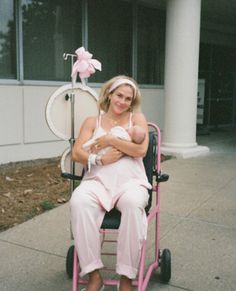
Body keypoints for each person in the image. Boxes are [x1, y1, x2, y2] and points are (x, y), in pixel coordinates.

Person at [70, 75, 151, 291]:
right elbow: (76, 153)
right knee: (79, 201)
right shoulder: (92, 121)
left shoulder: (138, 119)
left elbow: (140, 150)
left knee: (134, 204)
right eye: (119, 95)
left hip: (130, 183)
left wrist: (109, 140)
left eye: (128, 98)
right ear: (109, 94)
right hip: (97, 181)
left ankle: (126, 277)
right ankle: (94, 275)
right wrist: (99, 159)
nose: (123, 102)